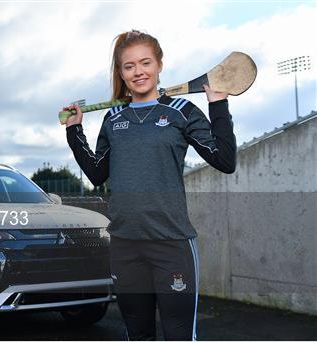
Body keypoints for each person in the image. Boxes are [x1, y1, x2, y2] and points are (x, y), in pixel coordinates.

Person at [63, 30, 236, 340]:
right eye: (128, 66)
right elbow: (96, 173)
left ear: (159, 65)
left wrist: (218, 106)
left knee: (178, 335)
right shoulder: (113, 118)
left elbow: (225, 160)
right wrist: (75, 132)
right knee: (137, 334)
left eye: (145, 63)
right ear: (120, 72)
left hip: (171, 244)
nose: (138, 72)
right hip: (125, 245)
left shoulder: (181, 112)